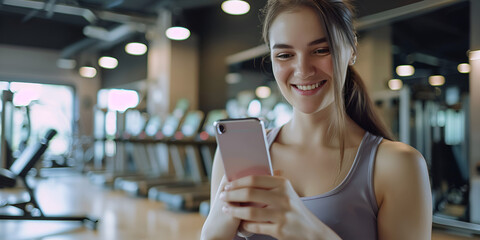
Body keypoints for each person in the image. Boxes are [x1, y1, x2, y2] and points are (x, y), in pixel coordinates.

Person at [201, 0, 432, 239]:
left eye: (321, 50)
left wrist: (309, 231)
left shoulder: (398, 165)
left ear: (352, 49)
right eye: (284, 55)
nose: (303, 70)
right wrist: (211, 233)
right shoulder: (234, 158)